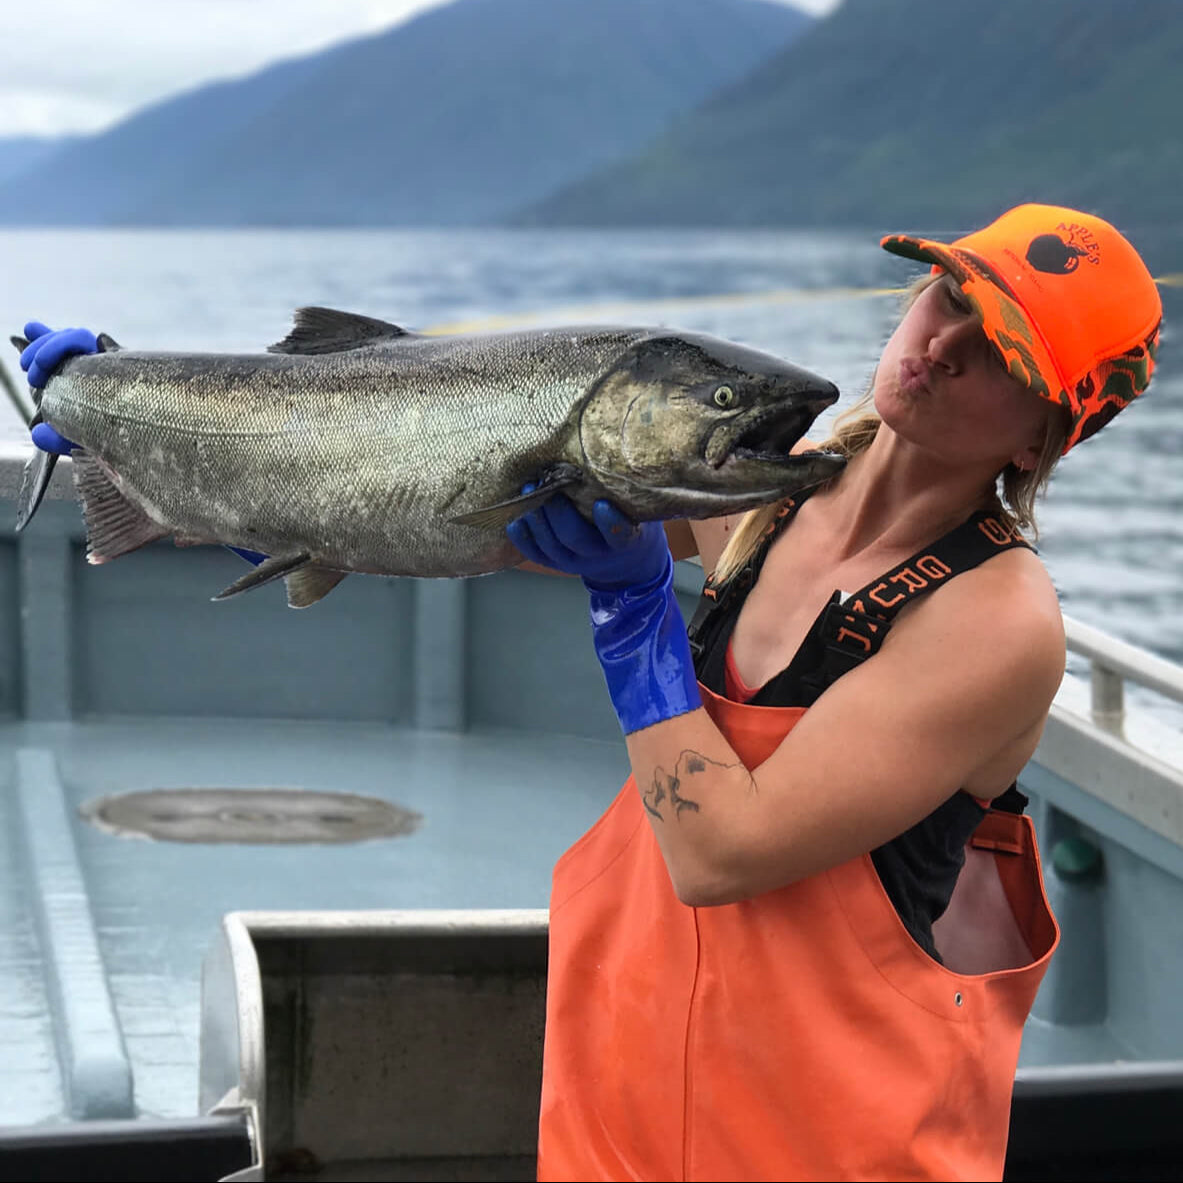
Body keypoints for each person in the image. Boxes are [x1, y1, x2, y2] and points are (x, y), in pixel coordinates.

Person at [20, 203, 1163, 1181]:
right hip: (620, 1075)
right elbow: (481, 510)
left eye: (1002, 351)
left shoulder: (993, 619)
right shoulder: (781, 486)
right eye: (946, 297)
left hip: (826, 1129)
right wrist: (150, 418)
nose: (943, 343)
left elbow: (725, 851)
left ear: (1055, 422)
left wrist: (632, 614)